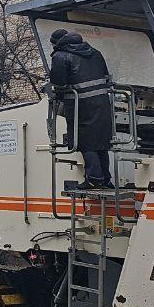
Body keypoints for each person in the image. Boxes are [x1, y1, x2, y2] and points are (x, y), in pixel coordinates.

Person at [49, 28, 114, 189]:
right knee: (101, 142)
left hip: (80, 106)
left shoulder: (60, 56)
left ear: (57, 43)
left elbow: (59, 84)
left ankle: (93, 178)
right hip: (102, 103)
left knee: (84, 142)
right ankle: (105, 178)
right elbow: (106, 78)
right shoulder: (95, 53)